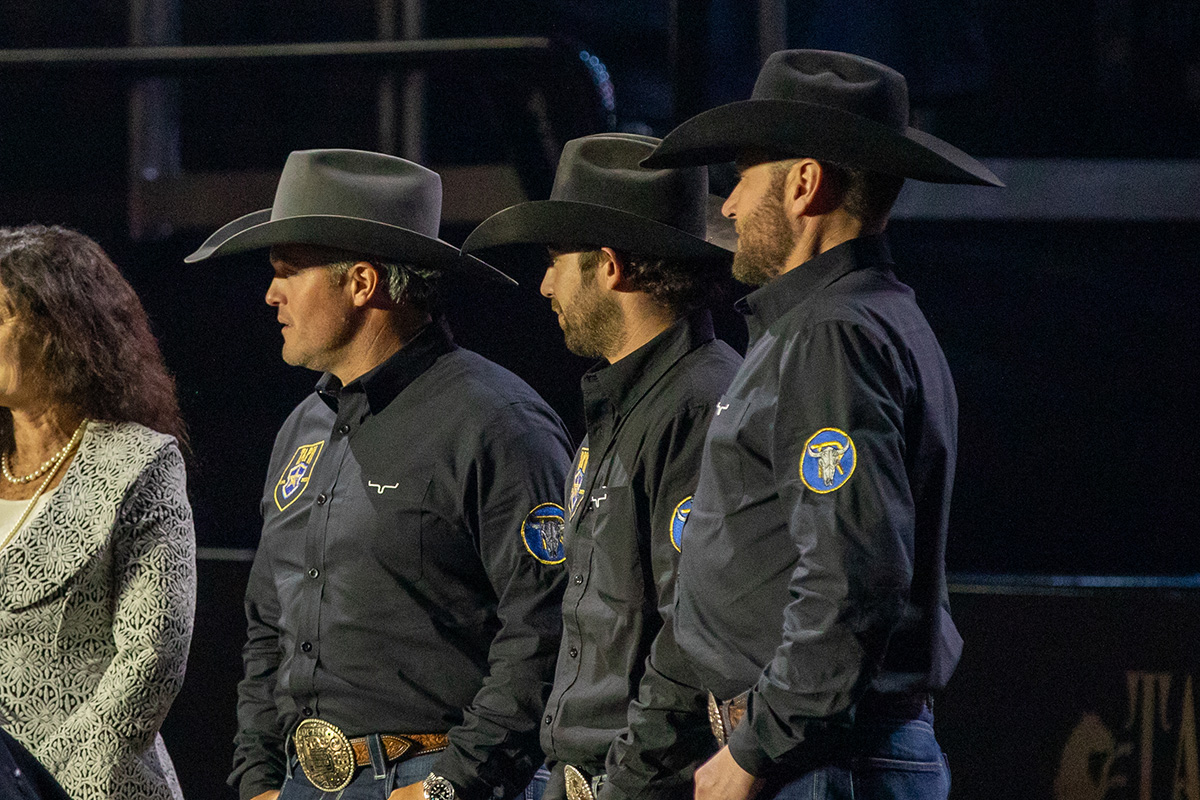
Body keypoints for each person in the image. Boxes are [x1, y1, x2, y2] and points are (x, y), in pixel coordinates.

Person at [618, 50, 1005, 799]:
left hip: (823, 766)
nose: (726, 206)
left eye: (743, 177)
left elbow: (854, 574)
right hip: (817, 756)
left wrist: (757, 749)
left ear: (804, 184)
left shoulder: (833, 335)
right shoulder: (835, 325)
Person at [186, 149, 572, 800]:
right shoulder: (302, 427)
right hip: (303, 783)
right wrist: (256, 776)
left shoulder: (496, 423)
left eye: (288, 272)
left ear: (362, 283)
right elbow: (267, 624)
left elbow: (546, 626)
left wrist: (455, 784)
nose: (270, 293)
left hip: (430, 779)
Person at [462, 133, 742, 800]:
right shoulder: (623, 404)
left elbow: (693, 636)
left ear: (610, 267)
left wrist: (627, 781)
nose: (543, 283)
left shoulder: (701, 402)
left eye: (558, 261)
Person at [0, 224, 196, 800]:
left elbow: (152, 659)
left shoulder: (137, 462)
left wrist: (39, 787)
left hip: (91, 787)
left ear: (62, 329)